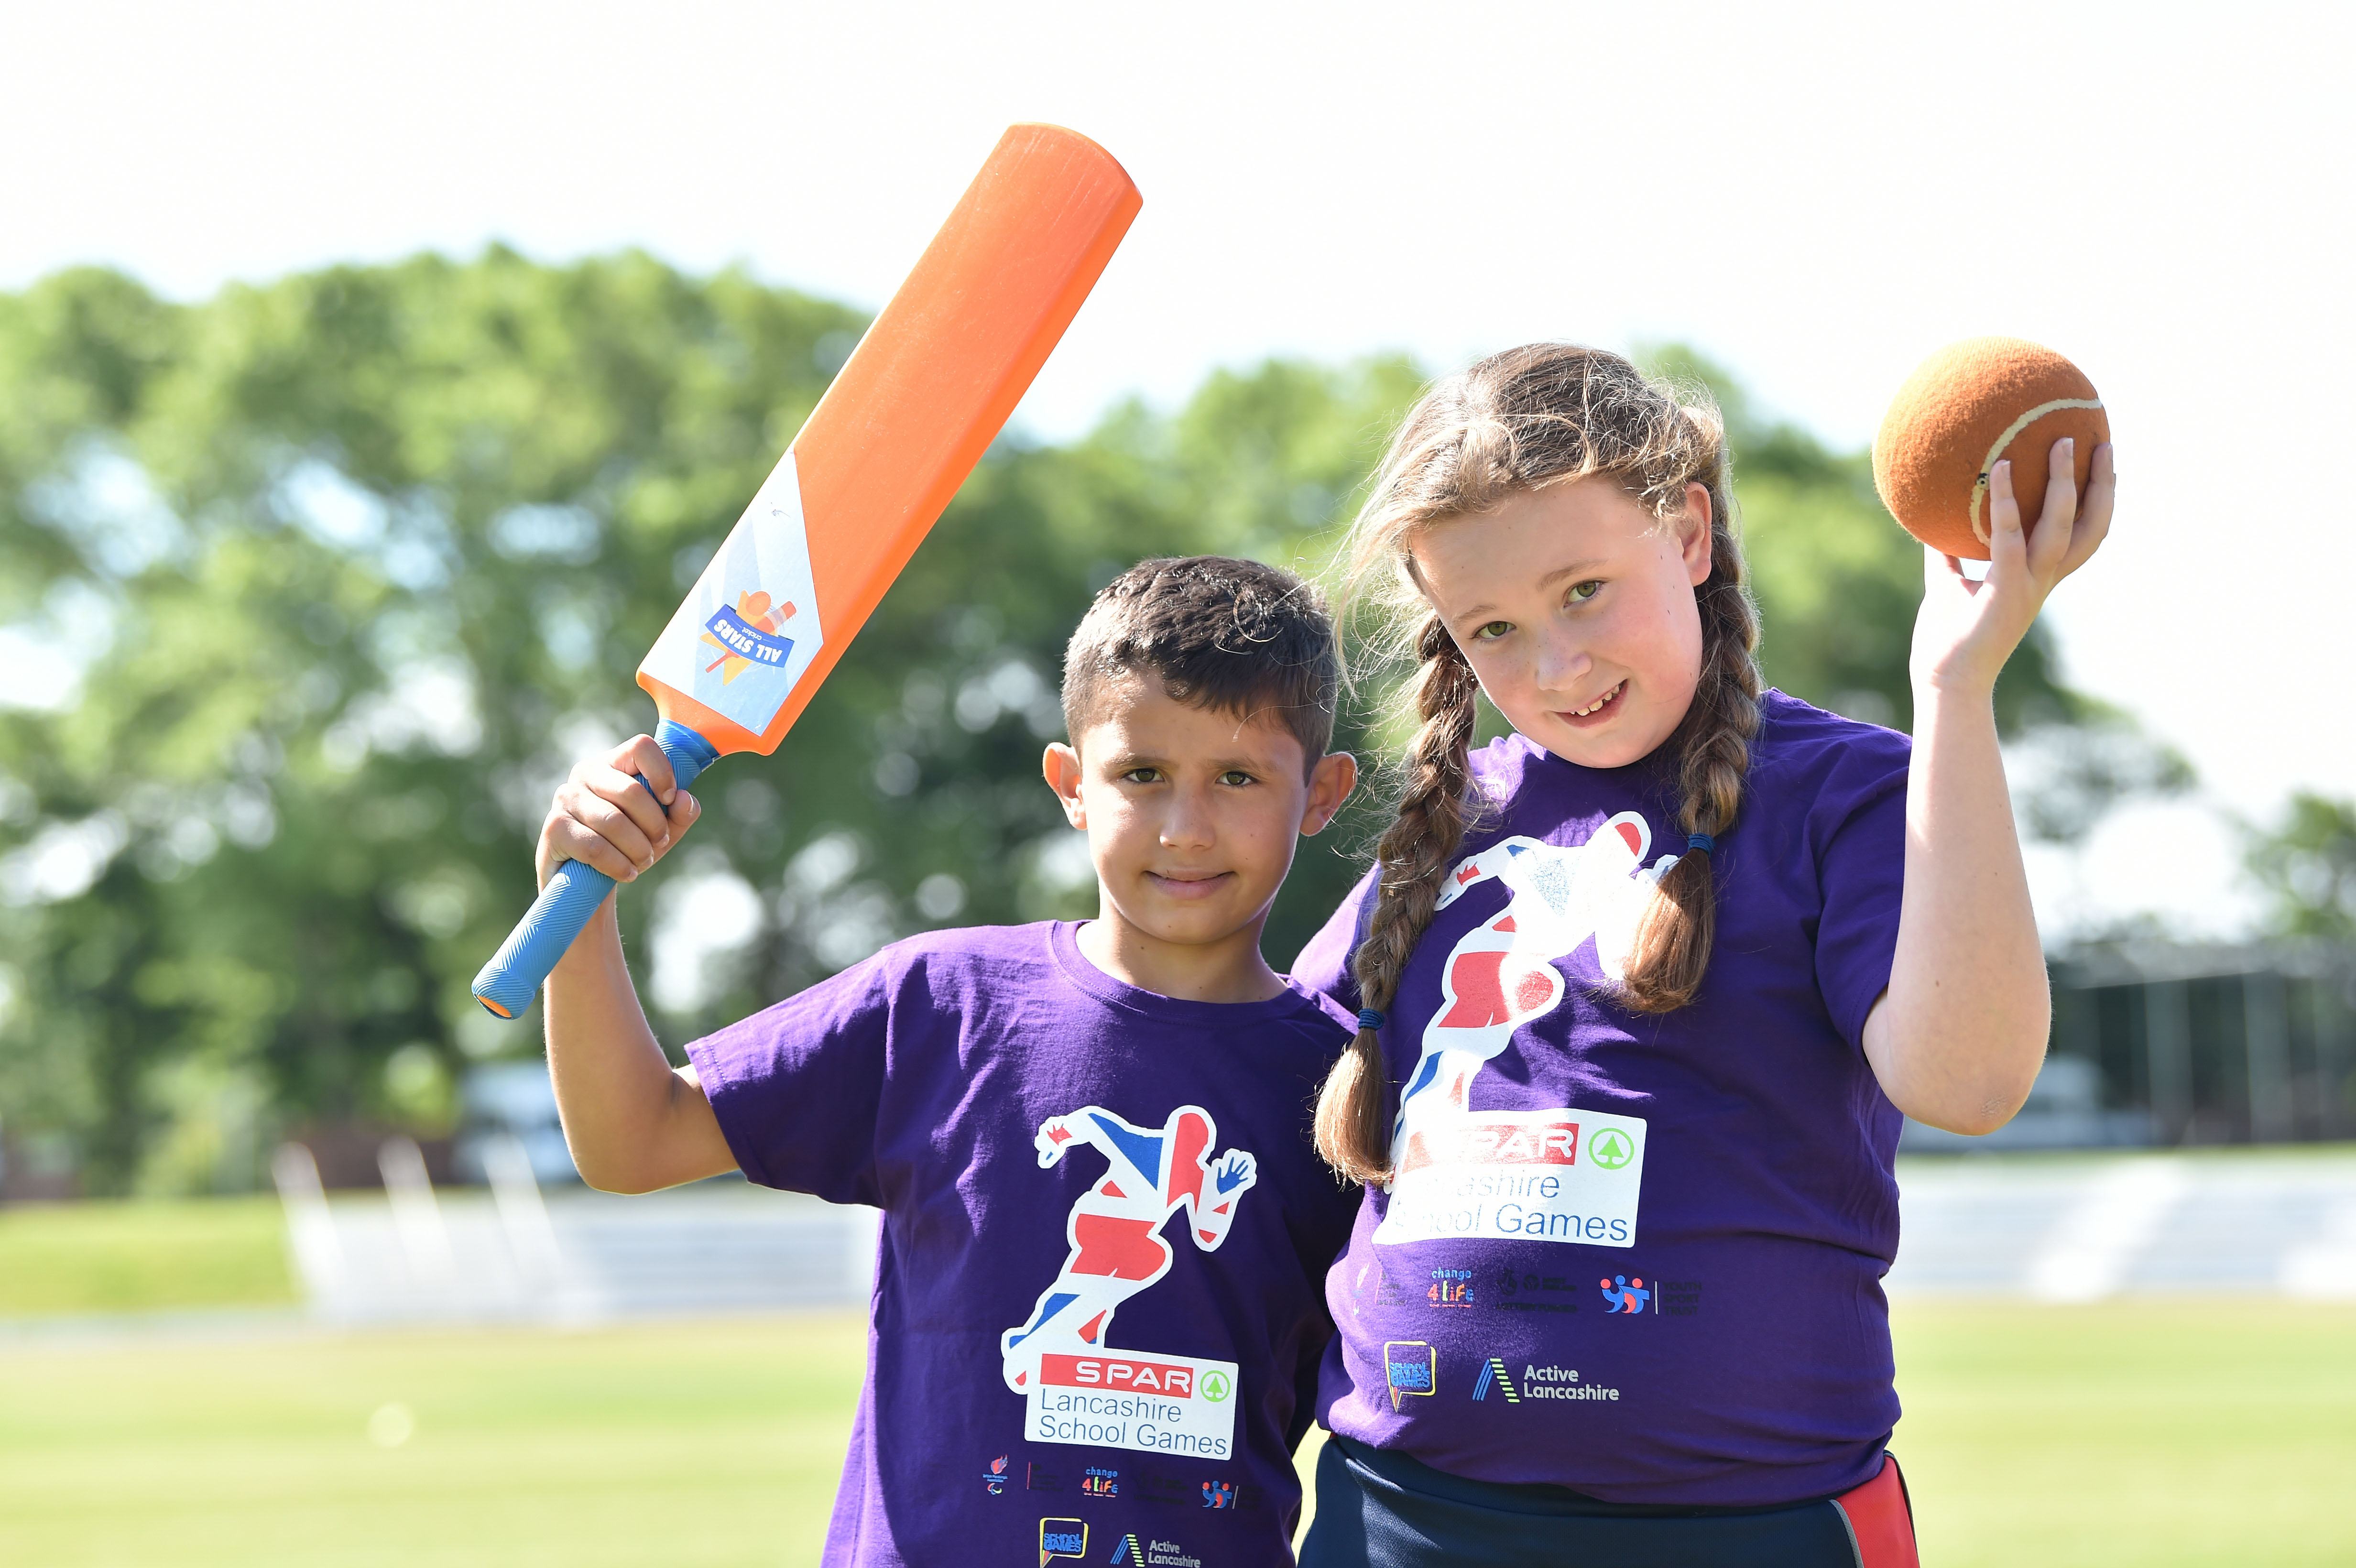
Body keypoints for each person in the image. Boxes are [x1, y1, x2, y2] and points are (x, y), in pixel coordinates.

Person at [1291, 345, 2112, 1565]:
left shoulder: (1845, 791)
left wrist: (1955, 686)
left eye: (1583, 590)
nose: (1555, 666)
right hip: (1403, 1519)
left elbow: (1971, 1080)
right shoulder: (1440, 828)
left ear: (1684, 532)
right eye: (1493, 630)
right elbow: (1260, 1088)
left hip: (1750, 1525)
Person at [534, 555, 1365, 1567]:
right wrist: (579, 897)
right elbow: (631, 1138)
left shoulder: (1347, 1091)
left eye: (1237, 777)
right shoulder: (939, 1003)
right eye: (1141, 773)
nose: (1183, 827)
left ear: (1320, 792)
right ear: (1070, 783)